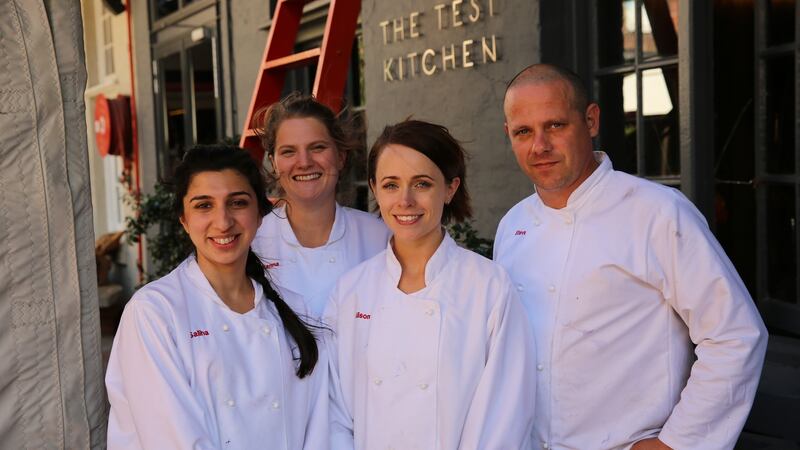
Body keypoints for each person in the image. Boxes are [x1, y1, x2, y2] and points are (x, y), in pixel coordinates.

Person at [495, 63, 768, 450]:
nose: (539, 145)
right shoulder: (513, 225)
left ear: (590, 121)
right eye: (524, 132)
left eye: (555, 125)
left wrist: (676, 444)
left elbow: (734, 334)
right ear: (509, 135)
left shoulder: (657, 212)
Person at [326, 120, 536, 449]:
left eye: (422, 184)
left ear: (450, 188)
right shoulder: (351, 292)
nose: (405, 200)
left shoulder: (488, 286)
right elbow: (334, 410)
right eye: (391, 185)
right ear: (374, 188)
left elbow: (505, 413)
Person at [105, 145, 329, 449]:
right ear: (183, 219)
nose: (223, 222)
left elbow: (317, 430)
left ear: (260, 214)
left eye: (237, 203)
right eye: (203, 206)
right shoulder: (154, 312)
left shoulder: (294, 309)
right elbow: (172, 439)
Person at [252, 94, 391, 317]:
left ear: (341, 157)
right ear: (274, 163)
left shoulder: (381, 237)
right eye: (289, 151)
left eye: (317, 147)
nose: (305, 162)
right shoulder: (252, 242)